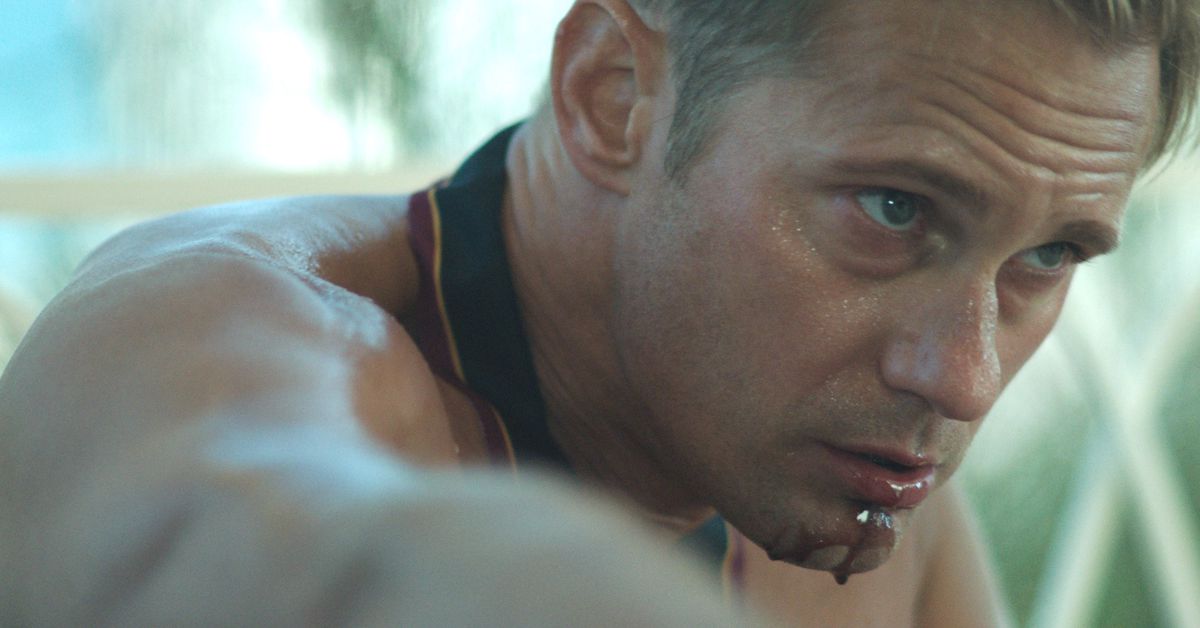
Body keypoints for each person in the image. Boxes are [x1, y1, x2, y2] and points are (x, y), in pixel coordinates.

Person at [2, 0, 1196, 625]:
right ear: (612, 95)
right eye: (894, 209)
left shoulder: (868, 489)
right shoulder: (201, 335)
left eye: (1049, 255)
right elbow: (300, 559)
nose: (963, 376)